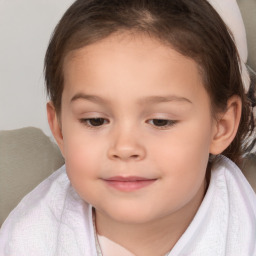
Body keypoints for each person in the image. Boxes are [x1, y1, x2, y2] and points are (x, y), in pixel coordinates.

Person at [0, 0, 255, 255]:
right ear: (60, 129)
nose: (124, 147)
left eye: (160, 121)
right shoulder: (32, 238)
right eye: (95, 120)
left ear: (221, 126)